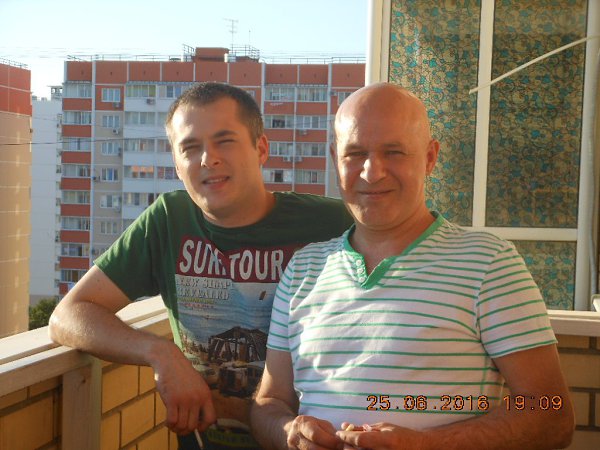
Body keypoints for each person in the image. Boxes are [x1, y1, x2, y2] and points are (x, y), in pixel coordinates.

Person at [251, 82, 575, 450]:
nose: (372, 172)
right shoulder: (303, 269)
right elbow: (269, 403)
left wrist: (427, 444)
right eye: (354, 153)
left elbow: (551, 414)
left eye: (394, 152)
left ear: (430, 158)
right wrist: (289, 433)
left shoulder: (489, 263)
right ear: (334, 159)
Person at [48, 82, 353, 450]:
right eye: (190, 148)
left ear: (261, 148)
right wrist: (162, 354)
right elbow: (68, 315)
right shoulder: (168, 221)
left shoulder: (334, 224)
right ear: (177, 165)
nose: (208, 159)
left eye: (225, 141)